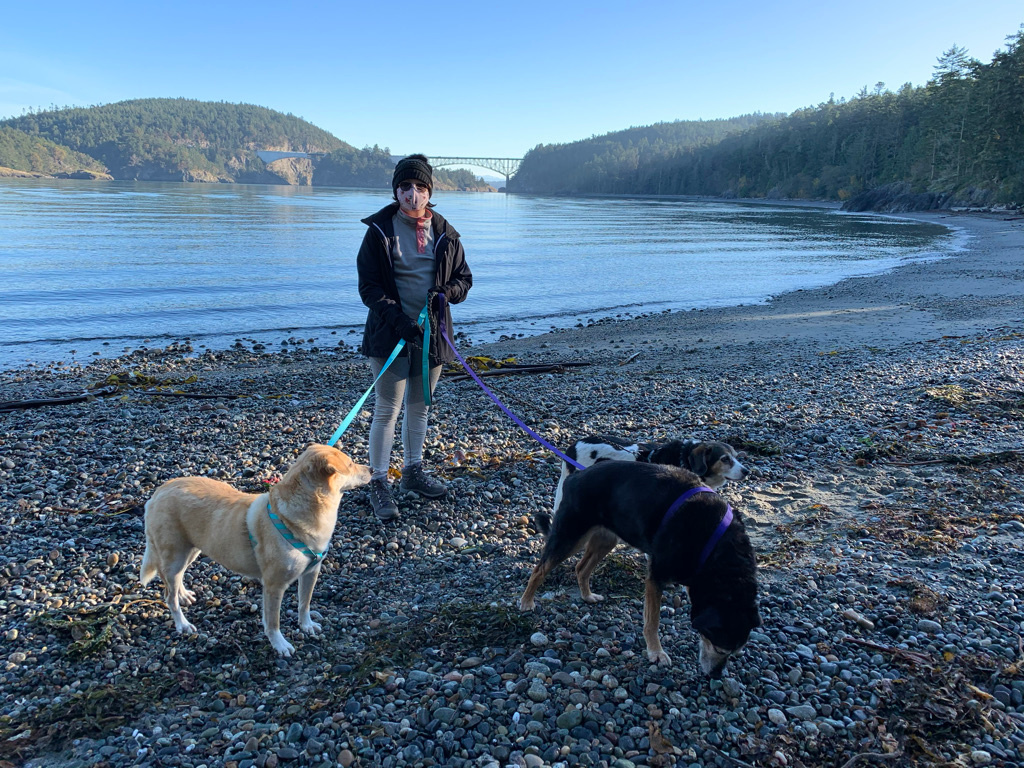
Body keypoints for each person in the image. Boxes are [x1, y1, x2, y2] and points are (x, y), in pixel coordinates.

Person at [356, 155, 473, 520]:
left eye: (420, 188)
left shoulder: (446, 232)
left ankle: (412, 471)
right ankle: (378, 481)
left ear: (429, 192)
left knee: (420, 407)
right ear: (396, 191)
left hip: (432, 336)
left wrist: (446, 293)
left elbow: (464, 279)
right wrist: (397, 320)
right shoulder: (378, 230)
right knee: (387, 410)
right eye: (406, 187)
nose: (413, 194)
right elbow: (369, 288)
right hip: (389, 333)